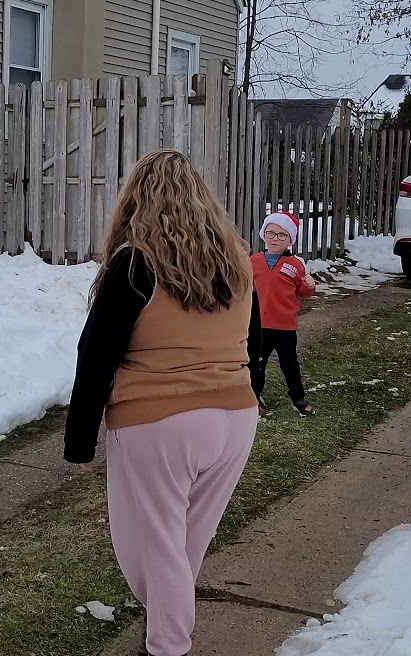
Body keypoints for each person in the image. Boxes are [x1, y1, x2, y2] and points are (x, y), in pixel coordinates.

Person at [63, 149, 263, 656]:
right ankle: (167, 627)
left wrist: (80, 442)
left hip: (160, 422)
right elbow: (253, 342)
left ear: (136, 201)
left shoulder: (136, 264)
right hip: (236, 419)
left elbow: (96, 355)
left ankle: (166, 646)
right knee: (183, 546)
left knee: (152, 548)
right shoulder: (238, 261)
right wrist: (249, 395)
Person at [250, 211, 317, 416]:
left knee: (289, 364)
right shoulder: (253, 261)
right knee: (255, 363)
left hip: (284, 326)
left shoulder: (295, 265)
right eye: (271, 233)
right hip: (258, 325)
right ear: (264, 235)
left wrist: (309, 286)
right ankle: (253, 398)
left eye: (281, 235)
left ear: (289, 239)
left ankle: (298, 399)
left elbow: (302, 293)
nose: (275, 239)